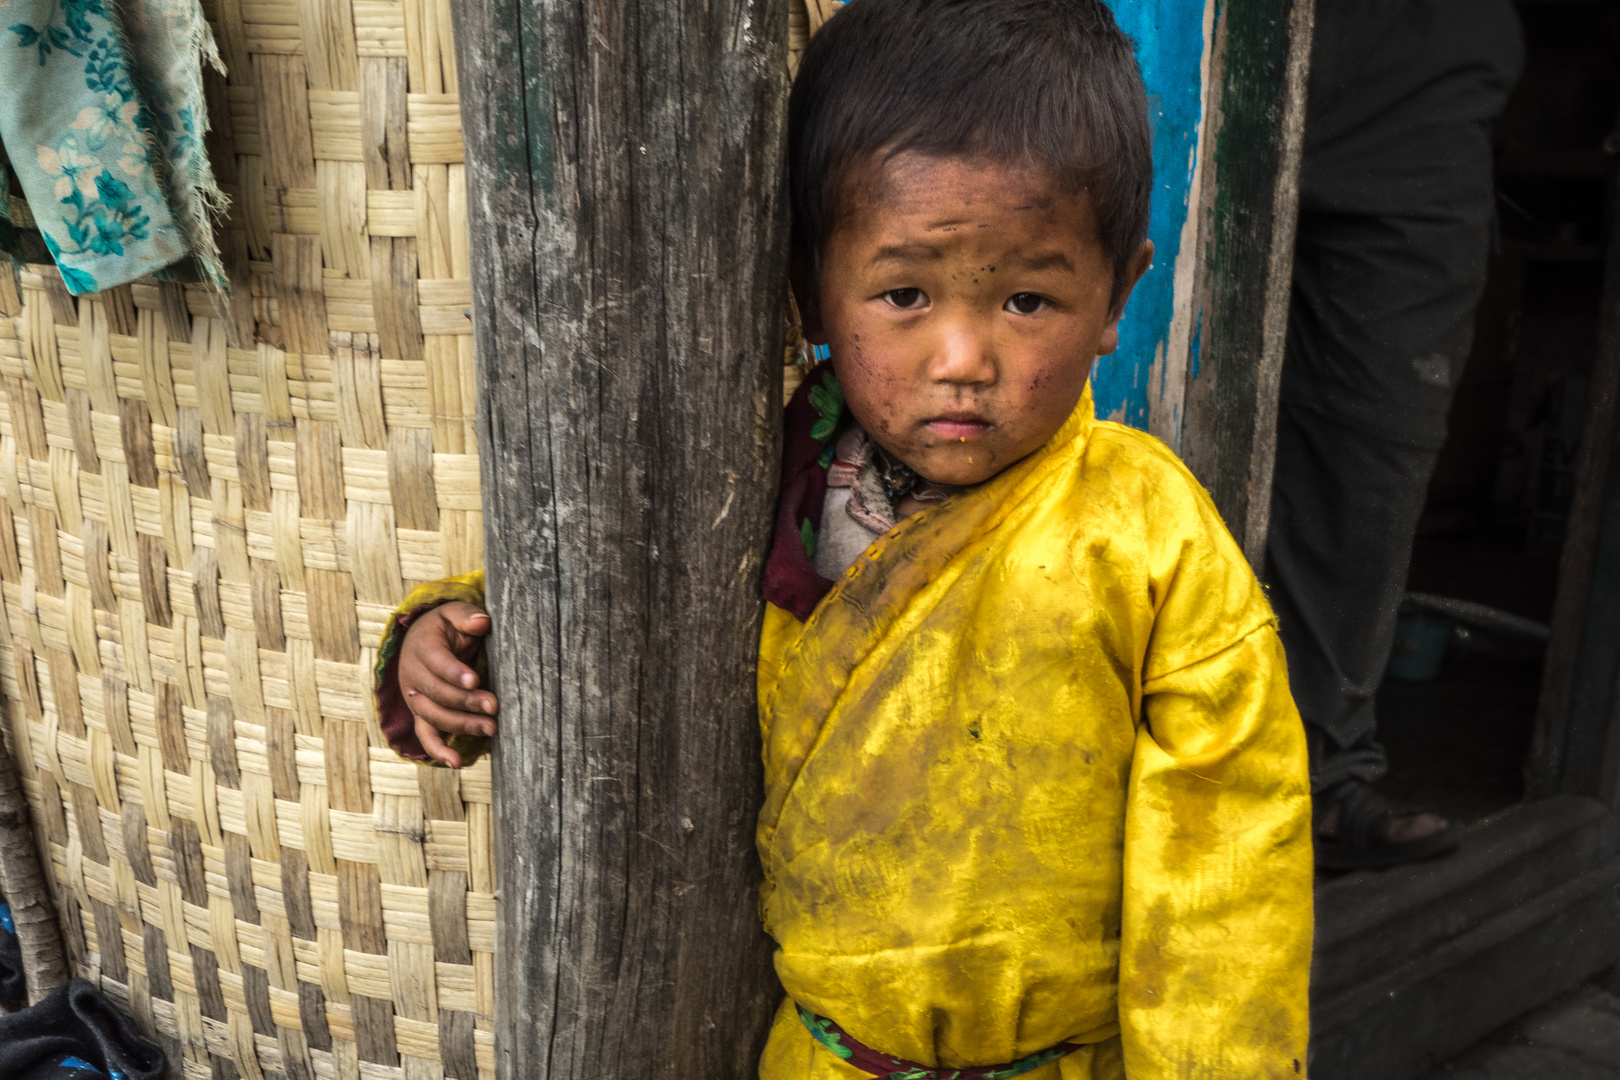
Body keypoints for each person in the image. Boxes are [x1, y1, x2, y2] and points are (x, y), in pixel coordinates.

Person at [373, 1, 1314, 1076]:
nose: (963, 356)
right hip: (823, 1055)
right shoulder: (753, 478)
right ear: (810, 285)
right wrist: (454, 642)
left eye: (1026, 300)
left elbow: (1229, 870)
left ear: (1117, 296)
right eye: (905, 293)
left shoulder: (1149, 538)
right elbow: (599, 611)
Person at [1267, 0, 1524, 870]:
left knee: (1377, 435)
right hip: (1190, 27)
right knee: (1103, 369)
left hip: (1417, 53)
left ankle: (1320, 773)